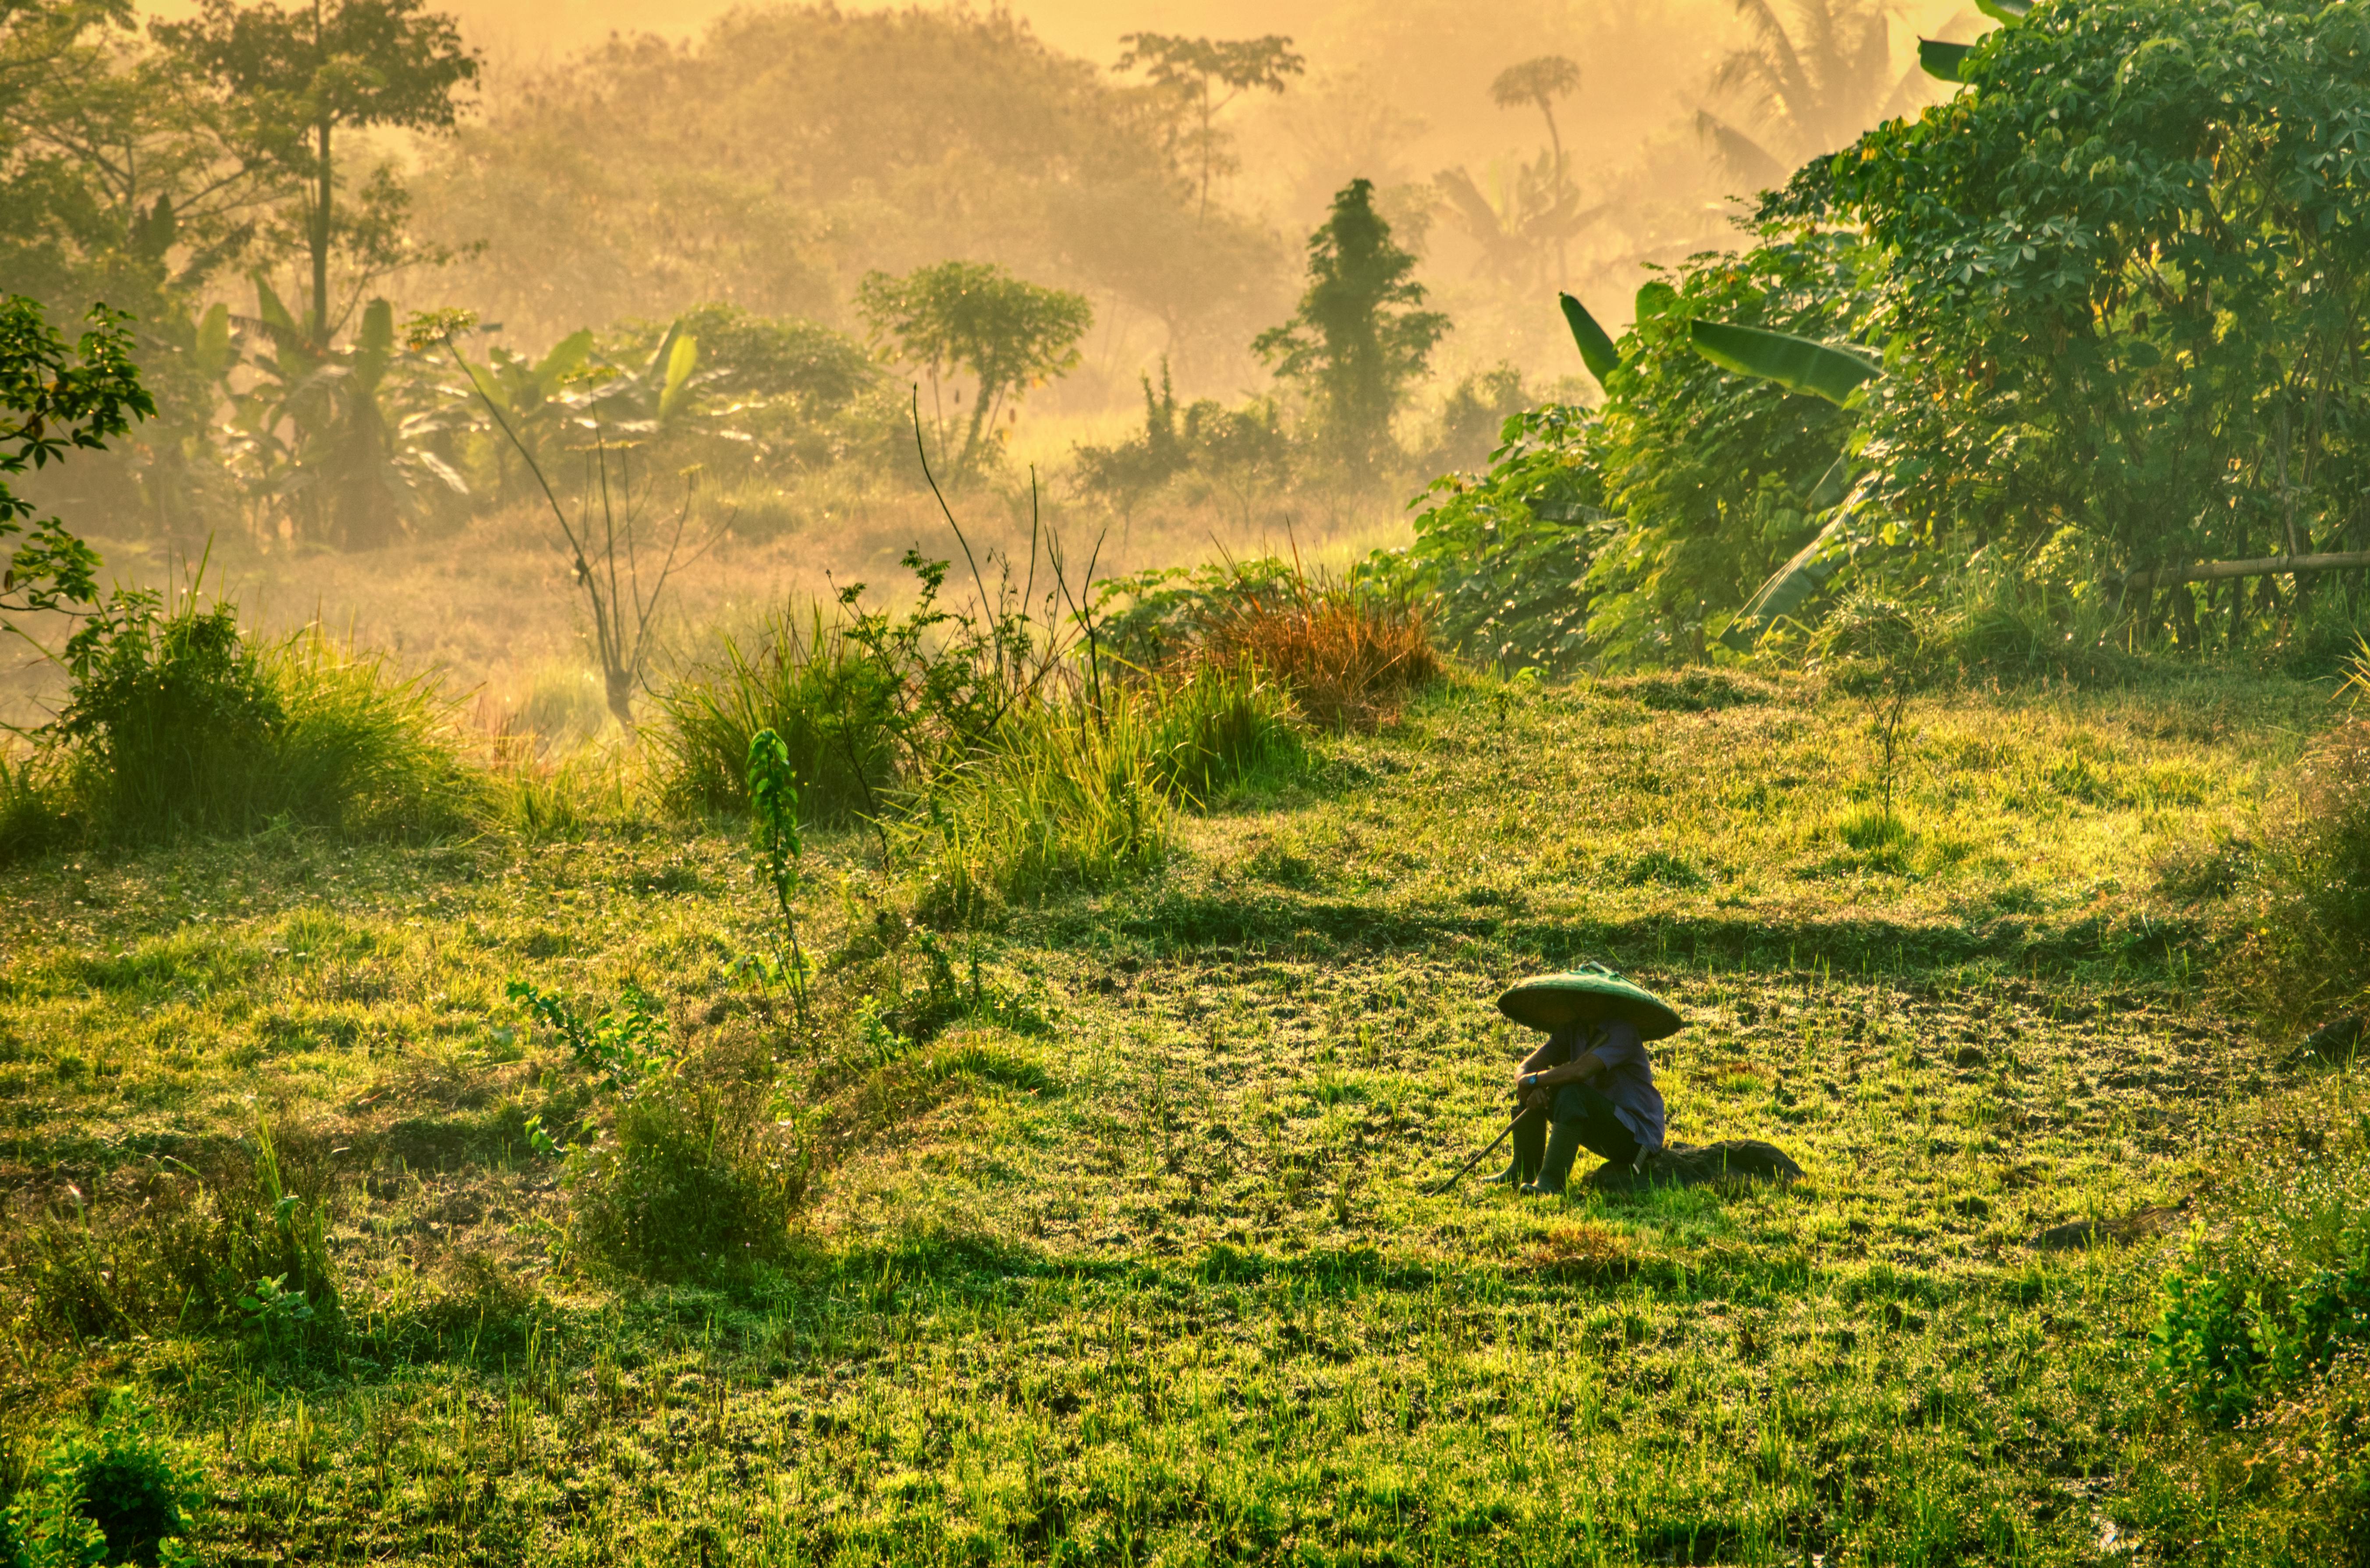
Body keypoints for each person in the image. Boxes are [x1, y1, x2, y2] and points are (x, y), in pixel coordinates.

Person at [1483, 964, 1679, 1196]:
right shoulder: (1574, 1030)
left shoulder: (1622, 1032)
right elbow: (1526, 1067)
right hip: (1603, 1120)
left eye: (1593, 997)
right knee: (1535, 1091)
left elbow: (1580, 1072)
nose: (1585, 1003)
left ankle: (1551, 1181)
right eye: (1580, 997)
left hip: (1636, 1137)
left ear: (1608, 1000)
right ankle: (1523, 1169)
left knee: (1571, 1093)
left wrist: (1533, 1081)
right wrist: (1529, 1084)